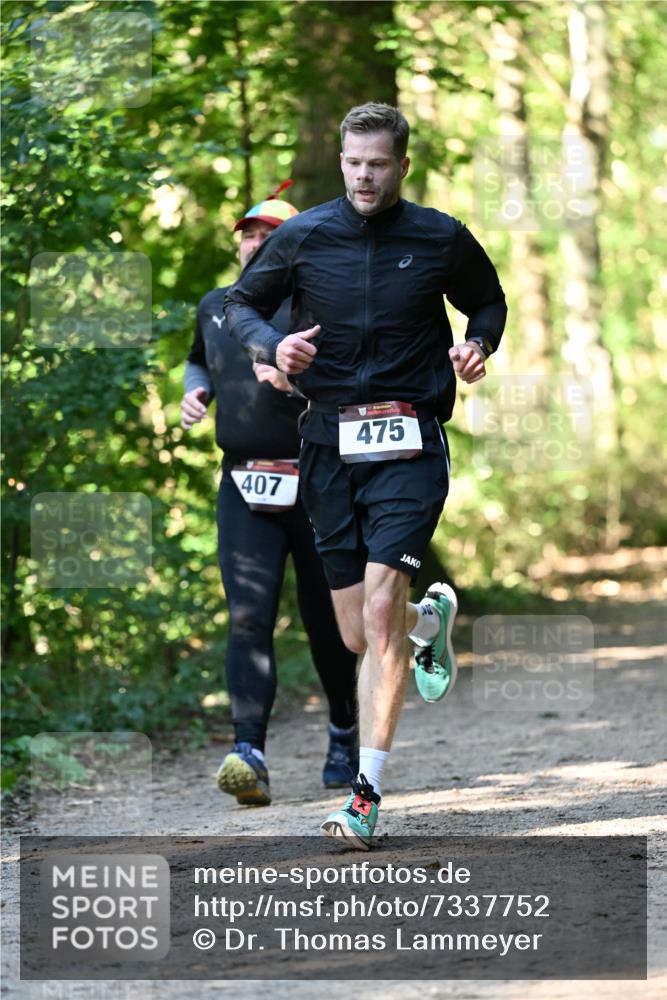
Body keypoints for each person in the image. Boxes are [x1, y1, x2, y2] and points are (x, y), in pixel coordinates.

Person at [225, 103, 507, 846]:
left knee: (378, 613)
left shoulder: (438, 235)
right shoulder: (304, 235)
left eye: (377, 164)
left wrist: (477, 343)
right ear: (341, 161)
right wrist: (273, 347)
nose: (363, 175)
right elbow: (239, 306)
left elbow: (486, 299)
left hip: (411, 442)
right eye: (353, 162)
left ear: (401, 164)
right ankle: (431, 623)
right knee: (357, 632)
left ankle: (365, 793)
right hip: (326, 447)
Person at [181, 186, 358, 807]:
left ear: (289, 244)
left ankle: (343, 731)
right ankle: (249, 752)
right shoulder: (214, 306)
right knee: (249, 616)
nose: (256, 243)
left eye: (268, 235)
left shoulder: (315, 305)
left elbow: (354, 384)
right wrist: (195, 391)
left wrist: (292, 381)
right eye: (248, 234)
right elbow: (199, 360)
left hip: (317, 480)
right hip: (245, 481)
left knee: (325, 621)